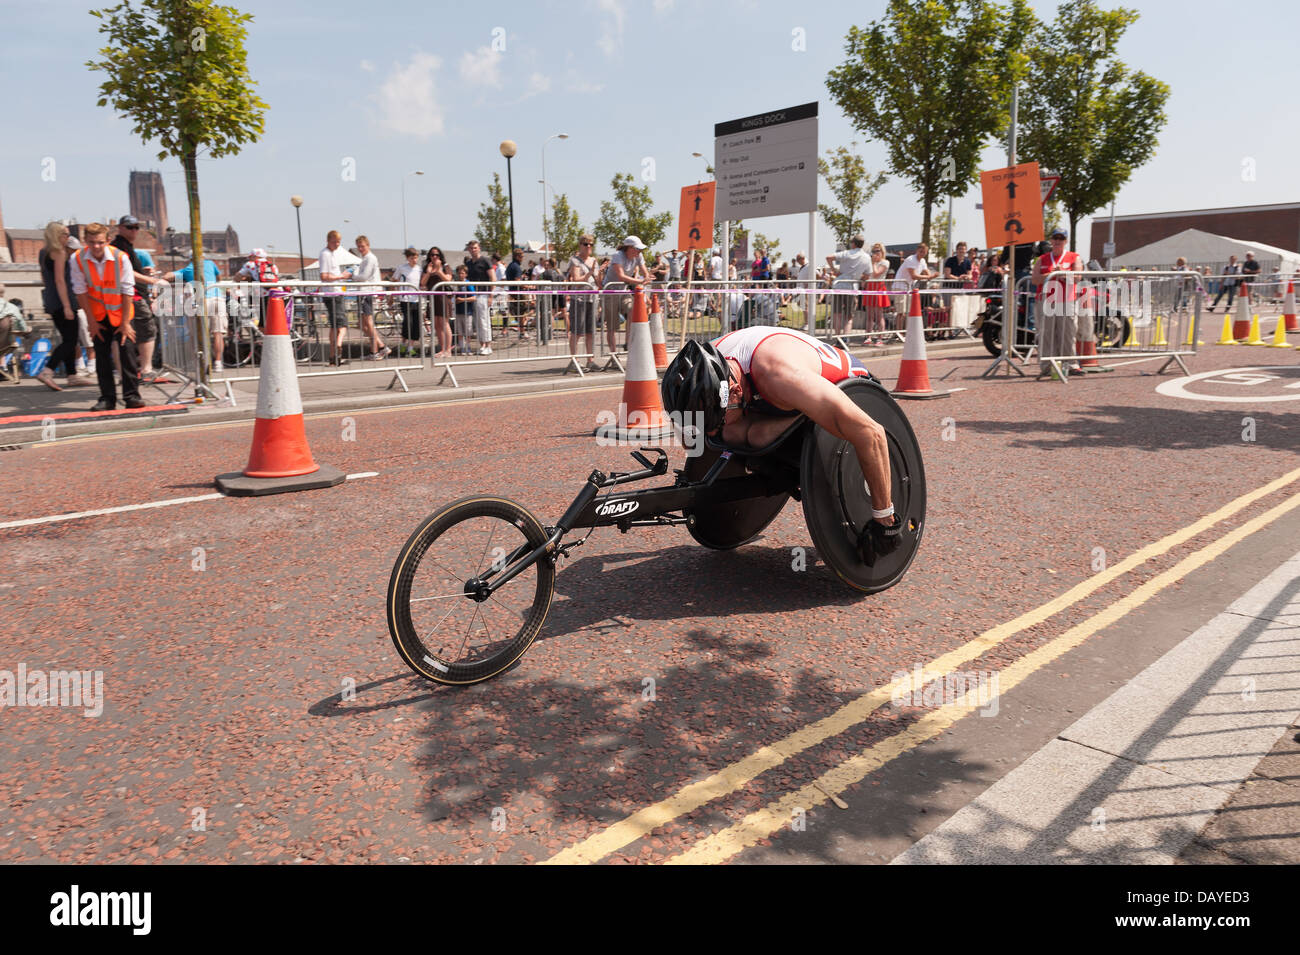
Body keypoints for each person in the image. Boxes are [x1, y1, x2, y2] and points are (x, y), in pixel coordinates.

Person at [661, 329, 901, 562]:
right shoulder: (700, 368)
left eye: (715, 421)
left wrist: (884, 519)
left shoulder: (779, 375)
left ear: (734, 392)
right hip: (771, 399)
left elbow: (872, 433)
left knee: (748, 435)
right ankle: (771, 453)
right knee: (728, 433)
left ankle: (793, 434)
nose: (708, 433)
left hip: (853, 393)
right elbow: (692, 436)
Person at [70, 223, 144, 411]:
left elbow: (128, 290)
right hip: (97, 315)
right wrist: (91, 322)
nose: (96, 247)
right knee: (102, 356)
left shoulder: (121, 258)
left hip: (121, 313)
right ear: (85, 241)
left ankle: (132, 396)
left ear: (108, 241)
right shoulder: (77, 259)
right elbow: (80, 291)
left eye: (100, 243)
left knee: (127, 353)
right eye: (92, 242)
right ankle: (107, 398)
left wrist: (126, 323)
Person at [36, 222, 93, 389]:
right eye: (65, 235)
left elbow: (46, 278)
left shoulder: (43, 252)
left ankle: (72, 375)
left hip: (52, 300)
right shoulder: (59, 252)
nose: (68, 238)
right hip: (64, 300)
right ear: (57, 235)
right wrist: (67, 306)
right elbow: (60, 280)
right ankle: (47, 371)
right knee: (70, 340)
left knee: (70, 338)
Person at [111, 215, 168, 380]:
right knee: (147, 331)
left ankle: (126, 374)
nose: (134, 230)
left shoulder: (125, 246)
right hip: (132, 296)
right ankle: (145, 370)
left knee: (123, 335)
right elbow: (126, 272)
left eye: (136, 227)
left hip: (127, 296)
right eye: (130, 227)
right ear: (120, 228)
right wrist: (153, 280)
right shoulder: (119, 246)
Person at [1030, 227, 1084, 379]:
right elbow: (1035, 279)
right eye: (1055, 238)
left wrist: (1063, 274)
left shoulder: (1074, 257)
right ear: (1051, 240)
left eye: (1061, 238)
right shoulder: (1042, 259)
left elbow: (1078, 277)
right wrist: (1052, 274)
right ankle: (1047, 365)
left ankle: (1071, 364)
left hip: (1067, 300)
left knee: (1068, 333)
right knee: (1046, 334)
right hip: (1046, 301)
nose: (1058, 241)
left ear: (1065, 241)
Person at [162, 254, 226, 372]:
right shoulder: (211, 264)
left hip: (200, 301)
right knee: (218, 333)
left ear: (190, 259)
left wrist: (185, 280)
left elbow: (167, 276)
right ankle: (218, 363)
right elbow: (219, 278)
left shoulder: (187, 269)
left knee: (196, 334)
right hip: (217, 299)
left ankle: (199, 363)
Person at [602, 235, 650, 355]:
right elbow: (621, 276)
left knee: (633, 310)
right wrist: (640, 281)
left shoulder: (639, 256)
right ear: (628, 248)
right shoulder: (618, 256)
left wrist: (647, 277)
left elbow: (645, 272)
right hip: (610, 292)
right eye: (637, 248)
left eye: (640, 249)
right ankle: (613, 355)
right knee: (612, 326)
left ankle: (627, 343)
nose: (639, 251)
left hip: (623, 291)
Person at [349, 236, 389, 360]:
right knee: (363, 323)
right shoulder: (365, 259)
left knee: (368, 322)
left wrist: (353, 274)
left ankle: (378, 348)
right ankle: (377, 349)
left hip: (367, 292)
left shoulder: (370, 258)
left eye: (362, 246)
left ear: (368, 246)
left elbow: (363, 277)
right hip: (365, 292)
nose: (360, 249)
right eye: (359, 247)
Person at [826, 235, 872, 336]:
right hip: (852, 287)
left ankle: (838, 337)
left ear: (853, 244)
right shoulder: (867, 257)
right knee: (849, 316)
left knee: (836, 314)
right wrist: (859, 277)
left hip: (839, 286)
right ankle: (845, 338)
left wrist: (834, 270)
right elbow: (868, 275)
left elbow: (829, 257)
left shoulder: (847, 253)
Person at [317, 230, 350, 365]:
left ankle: (333, 356)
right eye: (335, 242)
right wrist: (341, 276)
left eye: (338, 242)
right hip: (333, 293)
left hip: (334, 292)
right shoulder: (325, 254)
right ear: (328, 241)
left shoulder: (330, 254)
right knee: (342, 324)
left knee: (334, 325)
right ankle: (338, 346)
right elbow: (324, 276)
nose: (337, 244)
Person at [566, 236, 599, 369]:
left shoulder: (594, 260)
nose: (589, 246)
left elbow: (598, 282)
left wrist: (599, 273)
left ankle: (590, 360)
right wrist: (589, 273)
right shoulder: (575, 261)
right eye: (586, 244)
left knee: (590, 331)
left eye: (591, 244)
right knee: (577, 331)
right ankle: (574, 360)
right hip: (579, 299)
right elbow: (576, 280)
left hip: (592, 299)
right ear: (580, 245)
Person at [392, 247, 427, 357]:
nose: (414, 260)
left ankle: (410, 348)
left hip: (416, 299)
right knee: (408, 323)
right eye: (412, 258)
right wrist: (393, 295)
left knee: (416, 324)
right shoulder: (402, 268)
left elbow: (422, 283)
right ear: (408, 258)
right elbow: (394, 280)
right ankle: (403, 344)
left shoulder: (419, 269)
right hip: (405, 299)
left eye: (416, 257)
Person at [463, 240, 494, 355]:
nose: (473, 250)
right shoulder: (469, 263)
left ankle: (488, 344)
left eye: (475, 248)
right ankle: (482, 344)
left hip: (483, 293)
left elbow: (493, 278)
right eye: (471, 248)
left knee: (484, 320)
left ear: (479, 248)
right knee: (477, 321)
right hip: (473, 294)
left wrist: (491, 295)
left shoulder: (485, 261)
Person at [421, 247, 453, 357]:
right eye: (432, 255)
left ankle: (448, 350)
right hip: (433, 298)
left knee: (444, 323)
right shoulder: (427, 267)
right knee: (436, 325)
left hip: (443, 297)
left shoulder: (445, 266)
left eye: (437, 255)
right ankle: (442, 348)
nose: (434, 257)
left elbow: (448, 279)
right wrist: (429, 272)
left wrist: (439, 271)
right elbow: (423, 283)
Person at [861, 243, 891, 346]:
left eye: (877, 251)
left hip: (878, 288)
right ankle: (868, 337)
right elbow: (867, 274)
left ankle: (879, 338)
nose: (875, 253)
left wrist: (873, 263)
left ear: (882, 252)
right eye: (873, 251)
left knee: (879, 315)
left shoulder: (885, 262)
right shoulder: (870, 262)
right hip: (870, 287)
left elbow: (876, 273)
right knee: (869, 315)